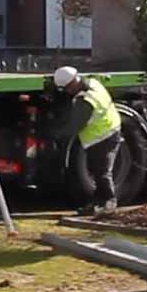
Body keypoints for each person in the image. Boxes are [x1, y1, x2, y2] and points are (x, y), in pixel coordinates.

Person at [53, 65, 122, 216]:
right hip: (107, 130)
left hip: (103, 136)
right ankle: (97, 204)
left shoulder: (86, 101)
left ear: (71, 85)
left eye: (65, 89)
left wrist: (57, 135)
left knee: (102, 172)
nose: (66, 92)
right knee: (97, 172)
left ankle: (109, 203)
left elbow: (75, 126)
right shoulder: (93, 83)